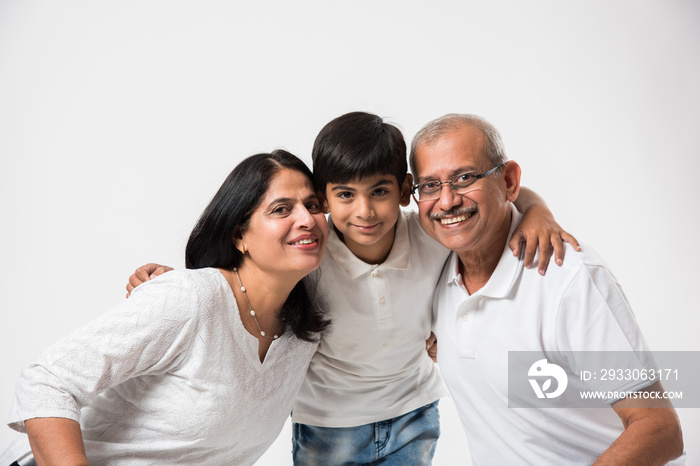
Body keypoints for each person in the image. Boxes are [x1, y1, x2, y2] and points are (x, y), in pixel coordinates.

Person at [128, 112, 579, 465]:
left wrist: (541, 213)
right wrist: (177, 280)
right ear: (323, 199)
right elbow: (244, 275)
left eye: (379, 191)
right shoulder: (307, 254)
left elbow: (501, 193)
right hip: (328, 422)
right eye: (345, 195)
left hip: (414, 412)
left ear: (405, 191)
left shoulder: (430, 232)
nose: (364, 211)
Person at [1, 150, 329, 466]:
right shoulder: (189, 300)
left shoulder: (304, 334)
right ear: (240, 235)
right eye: (281, 209)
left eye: (312, 205)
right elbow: (47, 379)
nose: (306, 219)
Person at [409, 113, 684, 465]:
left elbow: (660, 430)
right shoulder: (432, 265)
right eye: (430, 185)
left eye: (465, 177)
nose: (447, 201)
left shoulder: (568, 280)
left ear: (508, 181)